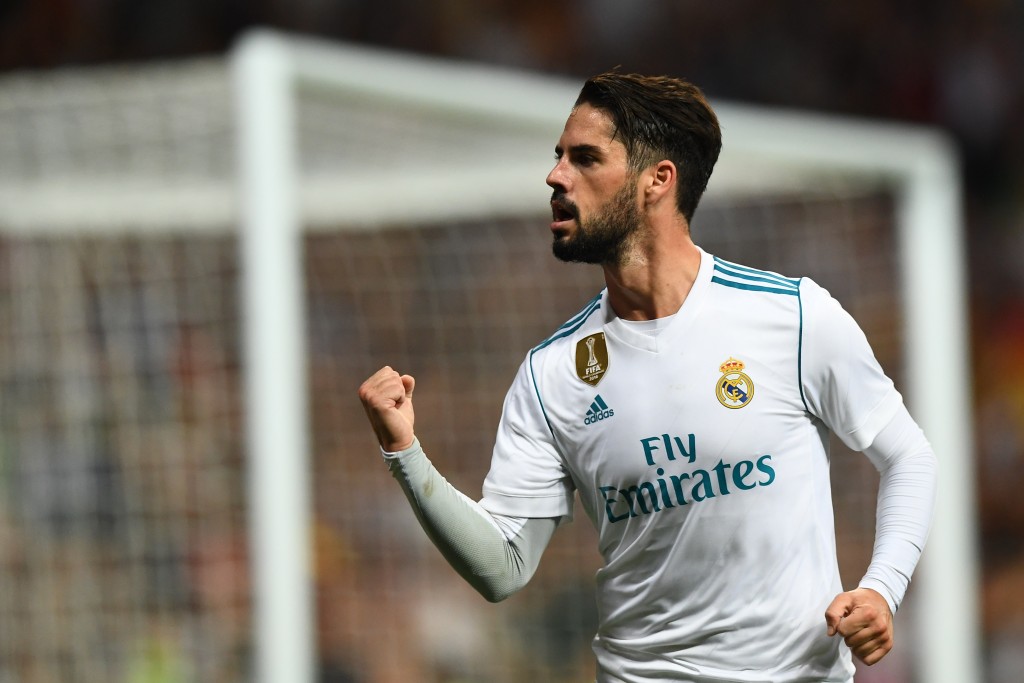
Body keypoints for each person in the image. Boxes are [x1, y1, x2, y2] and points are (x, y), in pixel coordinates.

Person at [358, 71, 937, 683]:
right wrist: (405, 452)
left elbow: (908, 456)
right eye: (558, 157)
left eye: (584, 158)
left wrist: (881, 589)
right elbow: (503, 567)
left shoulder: (792, 316)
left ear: (657, 180)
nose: (556, 176)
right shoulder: (550, 374)